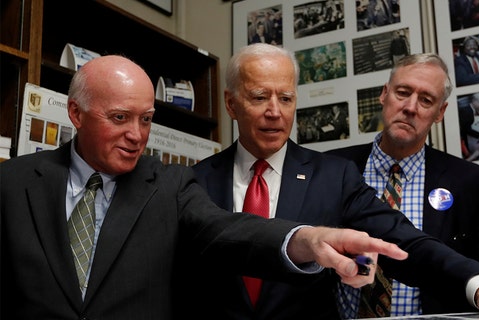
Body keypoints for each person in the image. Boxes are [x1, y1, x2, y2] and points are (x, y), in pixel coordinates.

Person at [190, 43, 479, 319]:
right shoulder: (193, 181)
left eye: (287, 98)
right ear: (231, 103)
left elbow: (405, 240)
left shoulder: (331, 175)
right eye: (260, 97)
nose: (275, 112)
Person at [0, 55, 411, 319]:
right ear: (76, 112)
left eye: (146, 119)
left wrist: (306, 238)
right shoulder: (12, 183)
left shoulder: (169, 184)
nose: (136, 135)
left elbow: (228, 230)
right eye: (120, 118)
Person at [327, 52, 479, 315]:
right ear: (384, 94)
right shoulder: (332, 169)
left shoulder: (475, 184)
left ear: (440, 112)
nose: (411, 107)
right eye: (402, 93)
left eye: (426, 100)